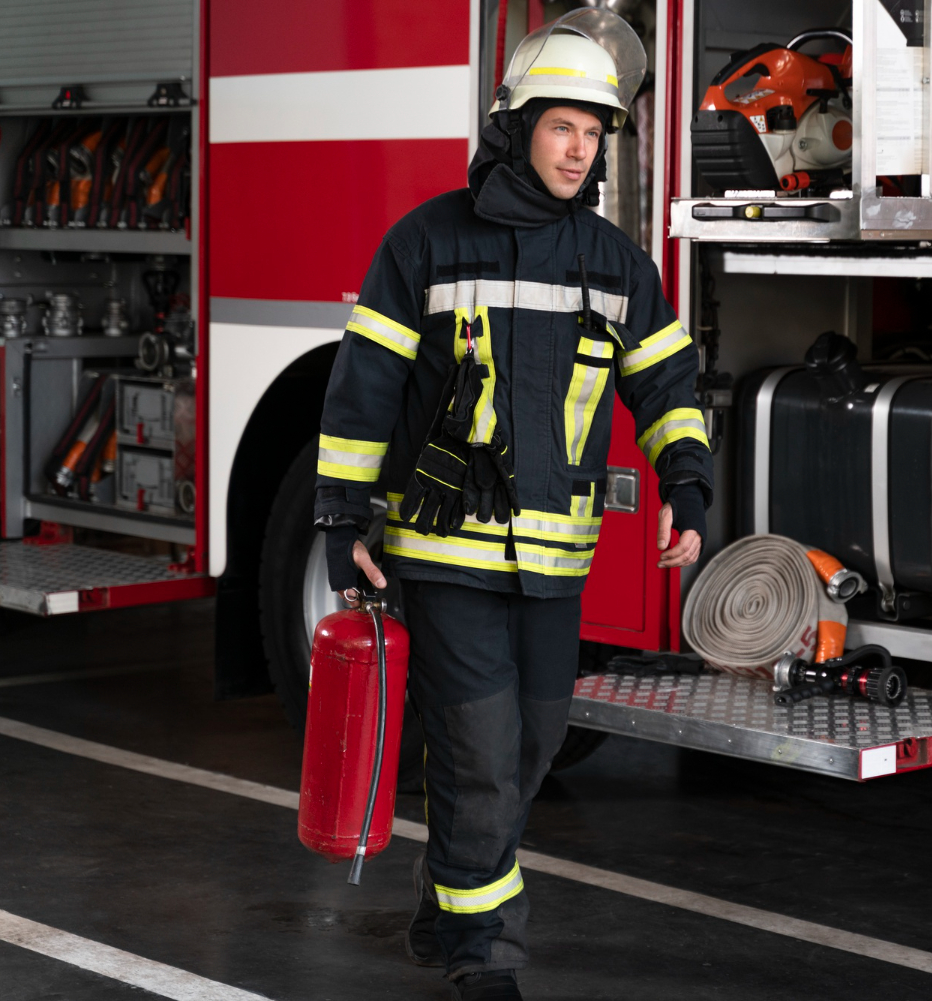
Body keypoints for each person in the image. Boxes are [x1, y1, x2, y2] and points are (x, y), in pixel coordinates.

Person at [311, 10, 712, 1000]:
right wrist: (338, 518)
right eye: (563, 126)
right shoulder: (426, 244)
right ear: (518, 127)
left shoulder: (617, 263)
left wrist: (689, 485)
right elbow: (362, 391)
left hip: (552, 569)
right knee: (484, 754)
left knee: (528, 748)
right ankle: (484, 955)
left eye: (595, 132)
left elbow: (667, 384)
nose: (580, 150)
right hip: (446, 555)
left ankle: (448, 895)